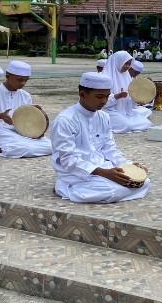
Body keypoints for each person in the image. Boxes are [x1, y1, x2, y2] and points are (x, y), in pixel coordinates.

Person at [52, 72, 151, 204]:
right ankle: (66, 187)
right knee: (109, 190)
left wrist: (128, 165)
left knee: (145, 182)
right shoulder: (65, 120)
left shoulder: (103, 117)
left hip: (103, 168)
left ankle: (95, 189)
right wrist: (103, 173)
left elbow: (110, 149)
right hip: (76, 174)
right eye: (99, 97)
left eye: (107, 96)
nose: (104, 101)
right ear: (82, 94)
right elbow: (68, 160)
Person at [0, 60, 53, 158]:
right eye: (20, 79)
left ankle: (4, 146)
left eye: (26, 80)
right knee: (27, 149)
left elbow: (27, 118)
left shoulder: (26, 96)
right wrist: (0, 116)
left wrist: (34, 113)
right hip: (0, 130)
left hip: (21, 130)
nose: (23, 83)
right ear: (8, 76)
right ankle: (3, 145)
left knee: (53, 146)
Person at [102, 50, 152, 133]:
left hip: (125, 111)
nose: (127, 66)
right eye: (125, 63)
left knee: (147, 123)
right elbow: (102, 102)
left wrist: (137, 100)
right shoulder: (105, 78)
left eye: (129, 64)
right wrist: (117, 96)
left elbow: (130, 99)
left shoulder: (127, 77)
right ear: (118, 62)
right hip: (110, 111)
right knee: (127, 125)